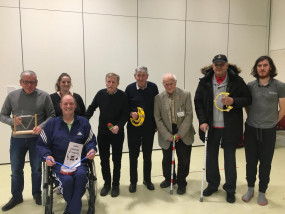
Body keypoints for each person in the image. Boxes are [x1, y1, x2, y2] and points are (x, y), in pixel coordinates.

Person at [194, 54, 251, 203]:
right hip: (211, 127)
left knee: (229, 160)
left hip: (230, 127)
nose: (219, 67)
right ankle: (213, 185)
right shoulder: (205, 82)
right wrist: (202, 121)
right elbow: (198, 102)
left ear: (227, 65)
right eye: (216, 64)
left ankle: (230, 189)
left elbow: (247, 99)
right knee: (211, 158)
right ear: (212, 66)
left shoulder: (236, 81)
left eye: (222, 64)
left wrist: (233, 101)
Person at [0, 70, 55, 211]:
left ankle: (36, 194)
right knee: (16, 169)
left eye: (32, 82)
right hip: (17, 140)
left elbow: (51, 116)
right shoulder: (12, 96)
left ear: (36, 82)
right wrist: (12, 121)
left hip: (37, 140)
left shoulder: (44, 96)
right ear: (20, 82)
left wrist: (41, 127)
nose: (29, 85)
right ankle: (16, 196)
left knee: (36, 169)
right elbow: (2, 115)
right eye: (26, 82)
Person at [37, 94, 97, 214]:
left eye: (71, 103)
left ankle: (71, 210)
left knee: (80, 177)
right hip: (59, 164)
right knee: (68, 181)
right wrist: (47, 155)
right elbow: (41, 145)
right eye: (65, 103)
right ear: (60, 106)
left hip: (79, 162)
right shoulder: (51, 124)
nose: (68, 106)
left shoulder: (83, 122)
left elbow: (90, 141)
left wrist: (91, 149)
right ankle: (75, 208)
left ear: (75, 105)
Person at [242, 56, 285, 206]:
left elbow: (283, 109)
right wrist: (253, 119)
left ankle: (262, 192)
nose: (262, 68)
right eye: (259, 65)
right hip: (251, 129)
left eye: (265, 65)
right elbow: (247, 106)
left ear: (270, 67)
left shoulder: (279, 86)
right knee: (251, 161)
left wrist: (272, 122)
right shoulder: (250, 86)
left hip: (268, 131)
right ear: (256, 68)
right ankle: (250, 189)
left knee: (266, 163)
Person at [85, 73, 129, 197]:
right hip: (103, 133)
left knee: (116, 160)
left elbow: (125, 115)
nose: (110, 84)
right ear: (105, 82)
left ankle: (115, 185)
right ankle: (107, 184)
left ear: (117, 84)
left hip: (117, 133)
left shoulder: (122, 96)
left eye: (113, 82)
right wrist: (83, 121)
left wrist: (119, 126)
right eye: (108, 81)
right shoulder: (100, 94)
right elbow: (91, 108)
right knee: (104, 160)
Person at [154, 73, 195, 195]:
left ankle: (182, 182)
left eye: (171, 83)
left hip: (184, 132)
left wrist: (179, 135)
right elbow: (157, 118)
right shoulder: (158, 98)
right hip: (166, 131)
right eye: (166, 84)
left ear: (175, 82)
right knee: (167, 159)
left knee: (184, 159)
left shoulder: (185, 94)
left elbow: (189, 115)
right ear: (163, 84)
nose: (169, 86)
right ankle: (169, 178)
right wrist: (168, 135)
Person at [125, 66, 159, 193]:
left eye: (143, 75)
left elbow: (157, 107)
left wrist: (156, 124)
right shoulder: (129, 89)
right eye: (138, 75)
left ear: (147, 76)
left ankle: (147, 180)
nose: (141, 78)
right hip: (133, 128)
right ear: (135, 76)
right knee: (133, 156)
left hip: (149, 127)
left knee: (147, 155)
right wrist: (130, 113)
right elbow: (124, 107)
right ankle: (133, 182)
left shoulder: (153, 87)